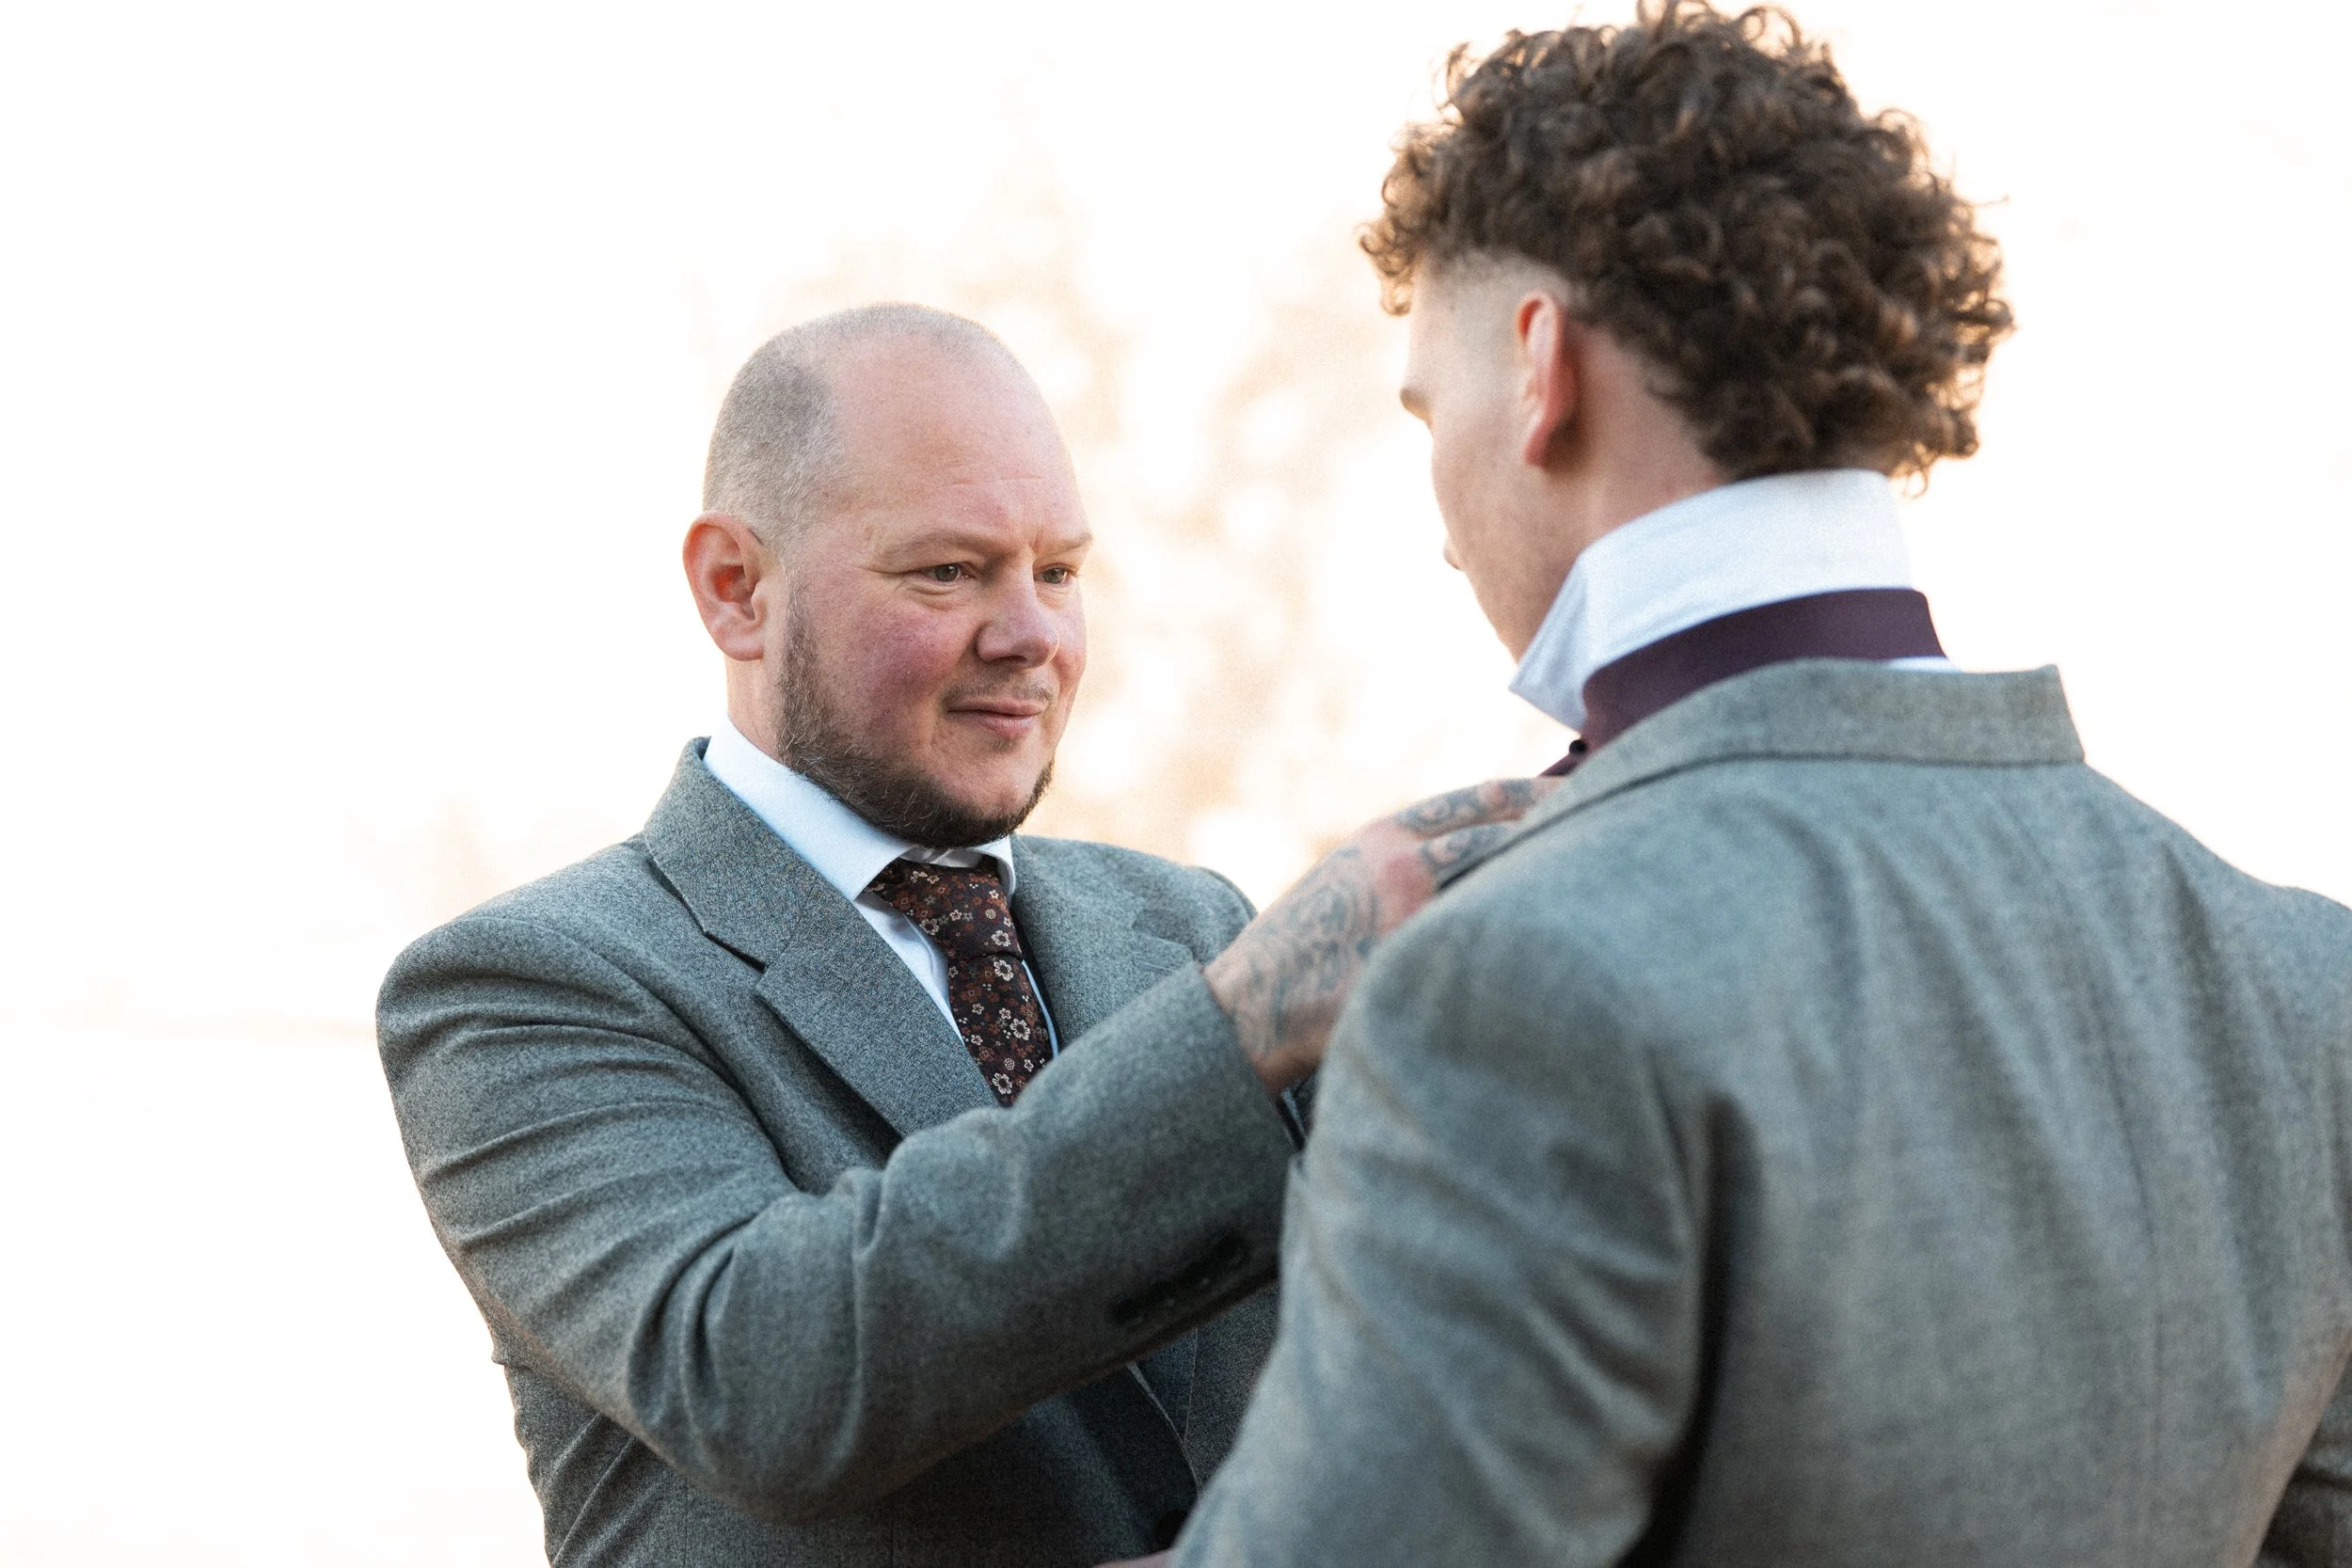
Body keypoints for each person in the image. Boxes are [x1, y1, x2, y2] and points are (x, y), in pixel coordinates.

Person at [1147, 5, 2352, 1564]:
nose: (1440, 526)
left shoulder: (1505, 990)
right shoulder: (2300, 977)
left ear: (1538, 371)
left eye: (1425, 420)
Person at [375, 305, 1544, 1567]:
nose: (1033, 634)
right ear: (736, 589)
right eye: (947, 570)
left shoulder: (1189, 922)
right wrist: (1241, 1025)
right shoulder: (528, 985)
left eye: (1058, 571)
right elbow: (768, 1375)